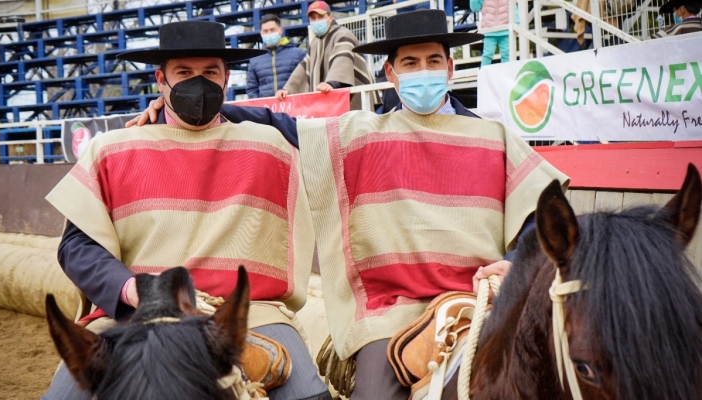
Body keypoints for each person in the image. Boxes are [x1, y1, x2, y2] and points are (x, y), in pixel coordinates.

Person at [129, 10, 570, 399]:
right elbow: (279, 123)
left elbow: (539, 212)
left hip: (480, 300)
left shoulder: (494, 138)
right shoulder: (360, 132)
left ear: (451, 67)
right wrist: (184, 105)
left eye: (433, 61)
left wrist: (515, 260)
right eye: (410, 63)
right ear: (391, 73)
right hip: (391, 312)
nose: (423, 71)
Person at [42, 20, 331, 400]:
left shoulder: (269, 144)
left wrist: (235, 114)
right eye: (184, 73)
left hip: (249, 312)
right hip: (133, 313)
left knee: (309, 396)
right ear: (162, 81)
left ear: (227, 80)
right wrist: (132, 291)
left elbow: (322, 138)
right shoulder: (110, 149)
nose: (199, 83)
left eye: (210, 72)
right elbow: (76, 247)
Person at [275, 0, 379, 110]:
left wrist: (332, 82)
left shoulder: (342, 34)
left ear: (330, 17)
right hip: (331, 101)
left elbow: (342, 60)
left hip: (352, 99)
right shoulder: (315, 42)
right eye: (313, 18)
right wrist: (288, 89)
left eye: (320, 17)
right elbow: (304, 67)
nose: (316, 21)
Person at [247, 14, 307, 98]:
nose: (269, 33)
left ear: (280, 30)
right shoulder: (254, 61)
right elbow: (252, 90)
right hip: (266, 109)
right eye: (265, 31)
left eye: (272, 30)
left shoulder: (299, 54)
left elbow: (304, 82)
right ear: (261, 33)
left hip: (294, 107)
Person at [470, 0, 512, 66]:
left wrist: (517, 23)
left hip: (505, 30)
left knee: (507, 55)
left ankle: (507, 75)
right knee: (487, 55)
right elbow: (474, 8)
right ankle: (484, 75)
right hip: (489, 31)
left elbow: (513, 8)